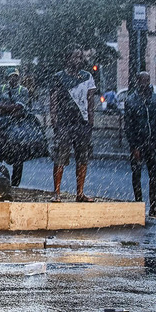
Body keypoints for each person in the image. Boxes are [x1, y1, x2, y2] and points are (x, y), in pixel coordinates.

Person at [49, 45, 98, 203]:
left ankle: (80, 193)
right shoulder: (58, 77)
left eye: (80, 57)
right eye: (75, 57)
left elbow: (91, 101)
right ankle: (57, 193)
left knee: (82, 158)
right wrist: (55, 122)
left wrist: (90, 122)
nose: (78, 60)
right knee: (60, 157)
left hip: (82, 123)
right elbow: (53, 101)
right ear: (67, 59)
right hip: (64, 123)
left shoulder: (87, 77)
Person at [123, 71, 156, 218]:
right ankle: (138, 205)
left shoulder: (154, 99)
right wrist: (134, 145)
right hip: (138, 142)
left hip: (152, 142)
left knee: (154, 175)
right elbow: (129, 125)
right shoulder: (131, 100)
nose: (145, 83)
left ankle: (154, 207)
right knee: (137, 175)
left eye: (147, 80)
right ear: (137, 81)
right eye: (142, 80)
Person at [0, 68, 31, 187]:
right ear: (7, 77)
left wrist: (2, 106)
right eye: (11, 76)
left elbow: (19, 107)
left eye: (16, 76)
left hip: (17, 128)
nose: (14, 78)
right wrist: (10, 108)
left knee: (18, 157)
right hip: (3, 128)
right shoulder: (0, 89)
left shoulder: (23, 90)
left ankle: (15, 184)